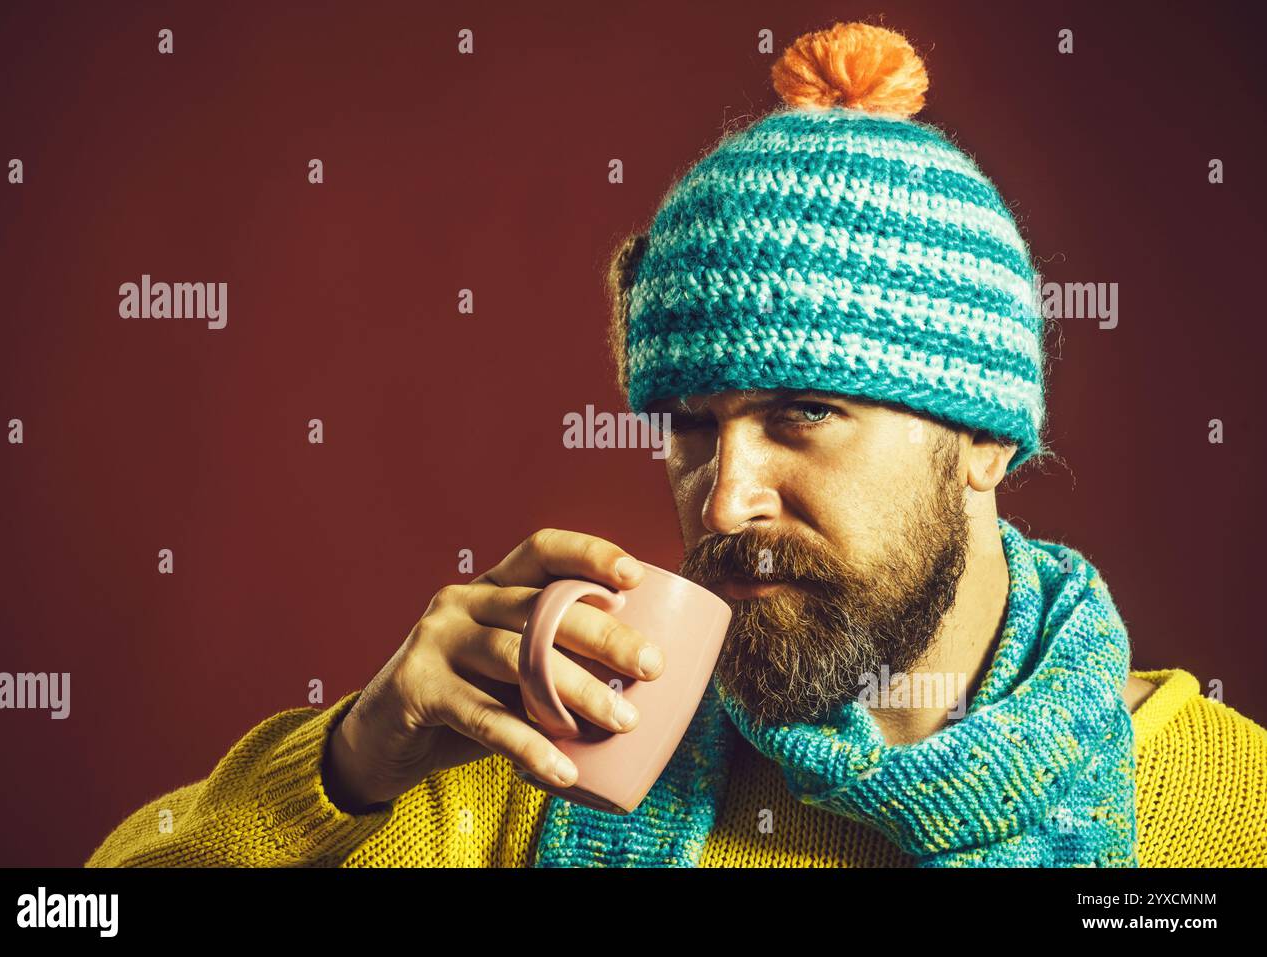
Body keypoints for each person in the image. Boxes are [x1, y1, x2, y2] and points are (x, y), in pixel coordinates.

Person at [86, 21, 1266, 868]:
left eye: (803, 412)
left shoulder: (1229, 808)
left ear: (984, 441)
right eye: (691, 429)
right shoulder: (545, 762)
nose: (724, 502)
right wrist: (348, 765)